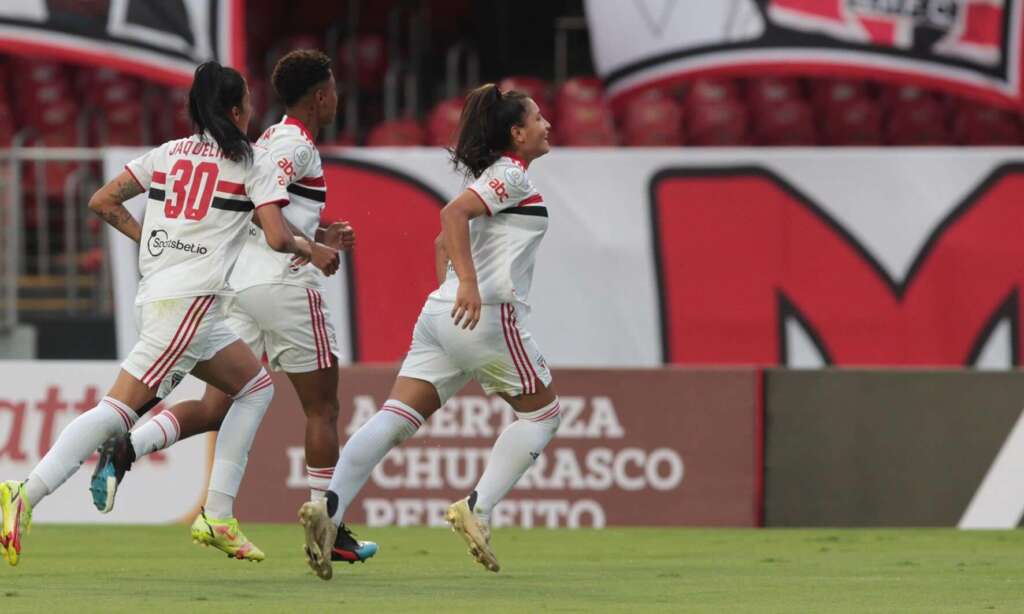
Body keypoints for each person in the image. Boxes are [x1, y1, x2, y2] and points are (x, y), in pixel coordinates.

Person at [0, 61, 339, 566]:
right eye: (245, 102)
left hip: (172, 297)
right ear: (235, 109)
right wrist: (313, 250)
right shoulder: (249, 163)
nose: (250, 111)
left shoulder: (168, 152)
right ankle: (25, 491)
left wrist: (151, 243)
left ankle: (218, 516)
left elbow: (102, 200)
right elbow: (273, 236)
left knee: (253, 387)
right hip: (190, 304)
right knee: (118, 410)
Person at [87, 50, 376, 564]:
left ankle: (128, 447)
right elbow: (270, 222)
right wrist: (311, 249)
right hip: (283, 285)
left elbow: (262, 212)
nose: (337, 99)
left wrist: (319, 232)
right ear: (321, 94)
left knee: (218, 404)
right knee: (323, 406)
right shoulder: (289, 143)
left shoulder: (269, 141)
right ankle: (327, 526)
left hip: (240, 286)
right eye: (334, 90)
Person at [298, 83, 559, 580]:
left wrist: (454, 287)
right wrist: (469, 285)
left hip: (441, 315)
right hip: (485, 314)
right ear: (516, 133)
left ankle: (329, 509)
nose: (548, 125)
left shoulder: (493, 178)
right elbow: (451, 215)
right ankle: (477, 509)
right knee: (544, 417)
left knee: (394, 418)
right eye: (539, 119)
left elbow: (444, 239)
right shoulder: (512, 175)